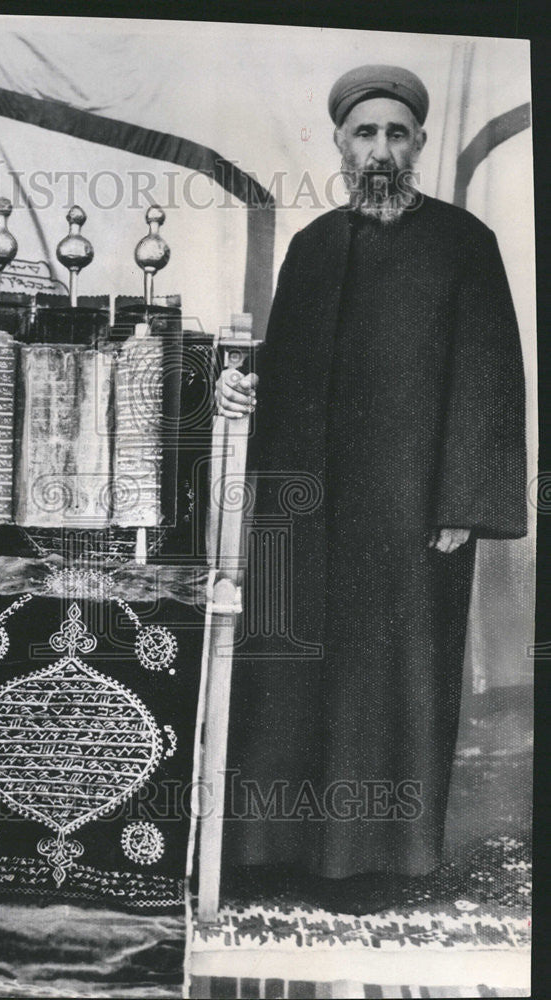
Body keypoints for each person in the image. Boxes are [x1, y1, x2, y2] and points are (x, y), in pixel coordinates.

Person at [217, 65, 527, 912]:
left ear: (419, 145)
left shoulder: (463, 242)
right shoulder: (312, 246)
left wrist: (462, 503)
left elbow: (492, 376)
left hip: (409, 512)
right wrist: (244, 391)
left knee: (388, 685)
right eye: (365, 134)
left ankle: (374, 867)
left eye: (397, 134)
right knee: (287, 675)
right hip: (306, 511)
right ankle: (270, 853)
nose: (380, 149)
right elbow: (286, 371)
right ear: (340, 145)